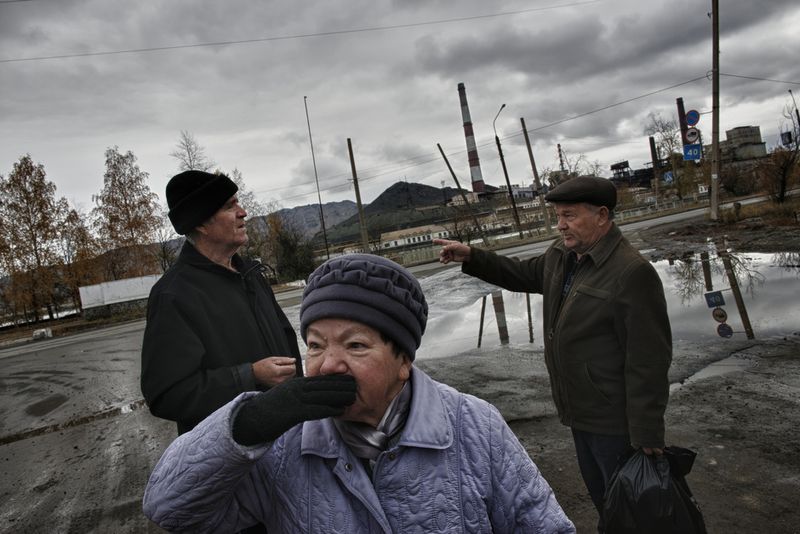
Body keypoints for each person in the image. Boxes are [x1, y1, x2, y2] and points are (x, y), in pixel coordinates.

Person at [143, 254, 576, 533]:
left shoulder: (473, 425)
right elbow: (170, 509)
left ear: (403, 360)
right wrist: (247, 424)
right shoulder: (282, 446)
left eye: (355, 345)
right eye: (315, 345)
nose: (328, 364)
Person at [434, 176, 672, 533]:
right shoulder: (563, 255)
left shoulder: (631, 271)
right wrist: (473, 257)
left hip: (615, 421)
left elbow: (649, 360)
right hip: (579, 413)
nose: (560, 224)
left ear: (602, 215)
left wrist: (647, 432)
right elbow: (522, 273)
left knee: (634, 509)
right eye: (559, 215)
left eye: (570, 216)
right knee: (607, 503)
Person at [140, 170, 302, 435]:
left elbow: (287, 341)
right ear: (202, 223)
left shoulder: (251, 275)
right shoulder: (173, 295)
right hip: (232, 460)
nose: (243, 212)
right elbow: (167, 395)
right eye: (230, 206)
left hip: (288, 437)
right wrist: (250, 375)